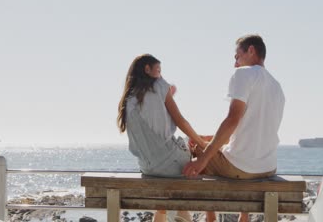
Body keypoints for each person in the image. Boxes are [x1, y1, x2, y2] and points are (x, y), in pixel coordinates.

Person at [182, 34, 285, 222]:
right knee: (207, 144)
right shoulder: (277, 87)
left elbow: (232, 119)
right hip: (268, 167)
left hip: (242, 169)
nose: (235, 64)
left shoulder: (244, 74)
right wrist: (211, 138)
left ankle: (210, 217)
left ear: (251, 50)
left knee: (195, 146)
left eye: (237, 56)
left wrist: (202, 159)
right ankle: (243, 217)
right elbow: (251, 129)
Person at [117, 54, 206, 222]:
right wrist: (203, 144)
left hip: (148, 169)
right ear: (147, 69)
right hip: (171, 165)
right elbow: (180, 121)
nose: (160, 75)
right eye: (158, 70)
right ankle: (204, 215)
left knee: (163, 203)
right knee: (193, 148)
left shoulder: (129, 98)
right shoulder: (159, 85)